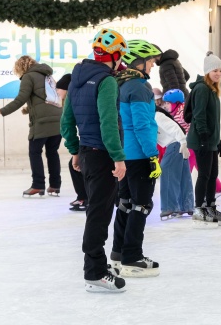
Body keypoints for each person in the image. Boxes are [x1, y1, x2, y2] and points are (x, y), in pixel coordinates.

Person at [60, 28, 127, 292]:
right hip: (103, 157)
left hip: (88, 153)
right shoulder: (106, 81)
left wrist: (75, 150)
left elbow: (66, 120)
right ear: (116, 55)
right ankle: (95, 272)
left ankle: (96, 265)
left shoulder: (77, 77)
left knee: (96, 212)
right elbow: (108, 122)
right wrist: (118, 157)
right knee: (99, 215)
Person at [109, 39, 162, 278]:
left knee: (126, 203)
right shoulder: (140, 87)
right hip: (140, 154)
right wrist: (153, 155)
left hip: (124, 154)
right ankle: (132, 256)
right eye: (150, 62)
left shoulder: (120, 84)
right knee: (141, 205)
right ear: (138, 62)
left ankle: (119, 253)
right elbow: (142, 125)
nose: (152, 66)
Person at [0, 56, 63, 197]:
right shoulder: (47, 75)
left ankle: (38, 185)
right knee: (52, 152)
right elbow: (47, 98)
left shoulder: (28, 77)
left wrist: (1, 110)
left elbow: (20, 98)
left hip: (42, 122)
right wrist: (29, 109)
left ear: (20, 67)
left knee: (34, 152)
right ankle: (55, 185)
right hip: (57, 118)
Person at [188, 51, 221, 226]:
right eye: (215, 70)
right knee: (204, 175)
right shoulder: (202, 89)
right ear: (207, 72)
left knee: (213, 174)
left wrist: (216, 140)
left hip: (210, 140)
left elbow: (214, 120)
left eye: (220, 70)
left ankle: (210, 205)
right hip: (201, 139)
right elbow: (199, 116)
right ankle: (199, 208)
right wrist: (204, 136)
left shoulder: (212, 89)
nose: (218, 74)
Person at [163, 89, 221, 197]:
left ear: (176, 103)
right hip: (190, 143)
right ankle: (218, 188)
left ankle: (181, 194)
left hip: (191, 144)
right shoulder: (176, 111)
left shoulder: (181, 112)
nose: (165, 105)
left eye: (168, 103)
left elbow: (193, 123)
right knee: (200, 167)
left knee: (186, 168)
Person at [155, 93, 194, 220]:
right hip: (177, 143)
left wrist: (183, 142)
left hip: (176, 143)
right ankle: (186, 205)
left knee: (166, 170)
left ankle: (169, 207)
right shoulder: (152, 116)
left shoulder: (157, 115)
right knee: (183, 175)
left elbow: (174, 127)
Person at [55, 73, 89, 211]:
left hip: (92, 141)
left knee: (77, 164)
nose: (57, 92)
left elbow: (66, 125)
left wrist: (75, 152)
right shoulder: (83, 96)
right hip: (92, 140)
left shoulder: (73, 99)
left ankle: (85, 198)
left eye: (59, 89)